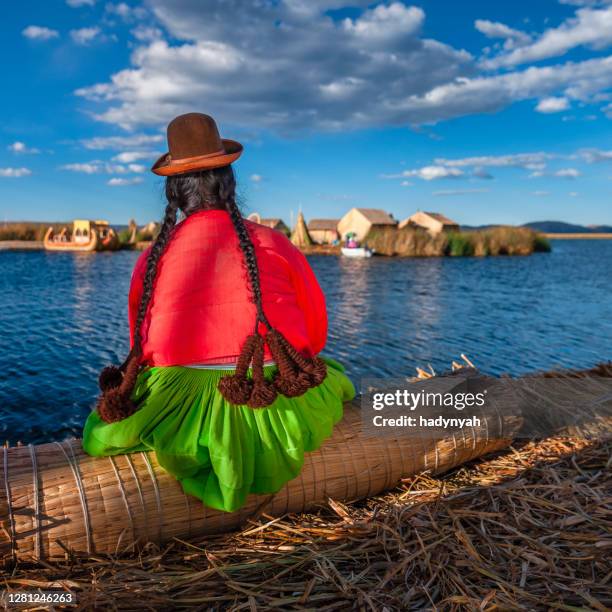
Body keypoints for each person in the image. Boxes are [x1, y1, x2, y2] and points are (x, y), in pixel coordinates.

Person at [82, 113, 355, 512]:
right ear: (229, 183)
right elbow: (313, 335)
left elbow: (145, 350)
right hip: (271, 401)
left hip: (183, 410)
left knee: (100, 431)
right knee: (333, 375)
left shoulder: (153, 258)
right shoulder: (274, 243)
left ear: (174, 192)